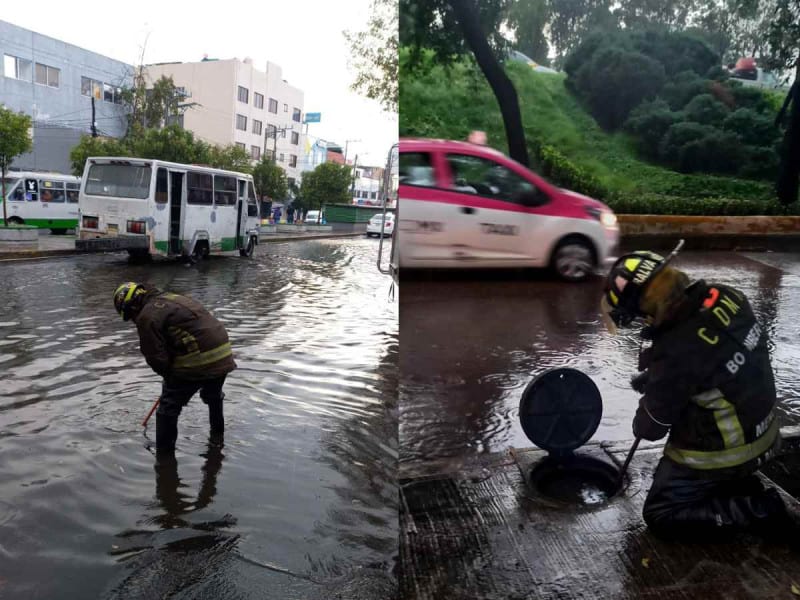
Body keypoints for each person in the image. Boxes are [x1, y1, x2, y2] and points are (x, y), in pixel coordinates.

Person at [600, 242, 798, 543]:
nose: (644, 321)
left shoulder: (673, 352)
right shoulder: (726, 295)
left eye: (640, 314)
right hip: (768, 432)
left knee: (661, 513)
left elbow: (651, 429)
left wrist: (654, 392)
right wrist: (660, 377)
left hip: (731, 452)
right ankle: (735, 485)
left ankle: (760, 510)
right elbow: (714, 356)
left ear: (645, 306)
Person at [113, 282, 236, 454]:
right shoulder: (173, 298)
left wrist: (169, 377)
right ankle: (217, 441)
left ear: (133, 306)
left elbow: (156, 357)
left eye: (130, 316)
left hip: (198, 360)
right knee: (213, 397)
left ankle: (164, 457)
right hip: (223, 355)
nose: (134, 320)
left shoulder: (146, 316)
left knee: (167, 409)